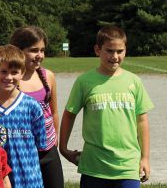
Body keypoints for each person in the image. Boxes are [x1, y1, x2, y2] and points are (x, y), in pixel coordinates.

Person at [59, 25, 154, 188]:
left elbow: (142, 121)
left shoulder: (134, 82)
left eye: (120, 51)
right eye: (109, 51)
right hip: (94, 166)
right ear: (97, 50)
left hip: (128, 166)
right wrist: (63, 148)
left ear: (125, 51)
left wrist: (145, 158)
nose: (115, 56)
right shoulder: (85, 81)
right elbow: (69, 114)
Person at [10, 26, 64, 188]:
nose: (39, 55)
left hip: (48, 150)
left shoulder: (48, 77)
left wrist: (55, 141)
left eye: (42, 50)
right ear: (18, 51)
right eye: (33, 50)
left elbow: (54, 111)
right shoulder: (10, 81)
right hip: (22, 152)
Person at [0, 44, 47, 188]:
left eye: (14, 72)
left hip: (30, 180)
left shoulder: (31, 106)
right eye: (4, 71)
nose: (9, 77)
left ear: (22, 73)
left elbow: (41, 144)